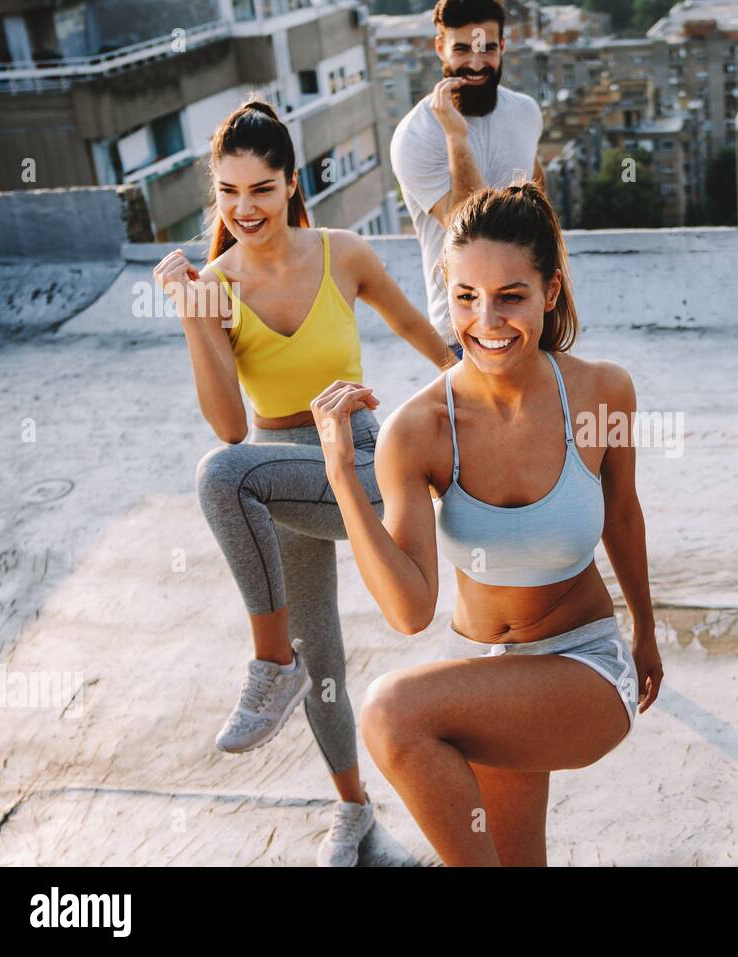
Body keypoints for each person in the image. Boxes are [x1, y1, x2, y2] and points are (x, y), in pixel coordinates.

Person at [313, 182, 663, 866]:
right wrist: (341, 481)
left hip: (582, 664)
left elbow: (621, 513)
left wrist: (646, 630)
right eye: (466, 296)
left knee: (389, 713)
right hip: (479, 675)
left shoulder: (602, 392)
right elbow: (411, 610)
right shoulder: (417, 431)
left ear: (550, 290)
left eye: (511, 295)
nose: (487, 320)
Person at [153, 98, 456, 866]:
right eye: (227, 192)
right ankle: (353, 816)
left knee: (225, 479)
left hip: (357, 453)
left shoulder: (342, 252)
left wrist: (480, 392)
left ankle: (268, 665)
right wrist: (194, 316)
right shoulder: (215, 284)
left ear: (290, 184)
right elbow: (229, 427)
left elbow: (417, 328)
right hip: (277, 473)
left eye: (260, 188)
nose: (243, 207)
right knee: (324, 664)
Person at [389, 0, 545, 362]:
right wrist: (457, 139)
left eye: (487, 48)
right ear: (439, 47)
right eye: (461, 49)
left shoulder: (525, 112)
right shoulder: (415, 136)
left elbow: (537, 197)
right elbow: (466, 229)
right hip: (466, 329)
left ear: (503, 46)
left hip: (531, 316)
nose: (476, 64)